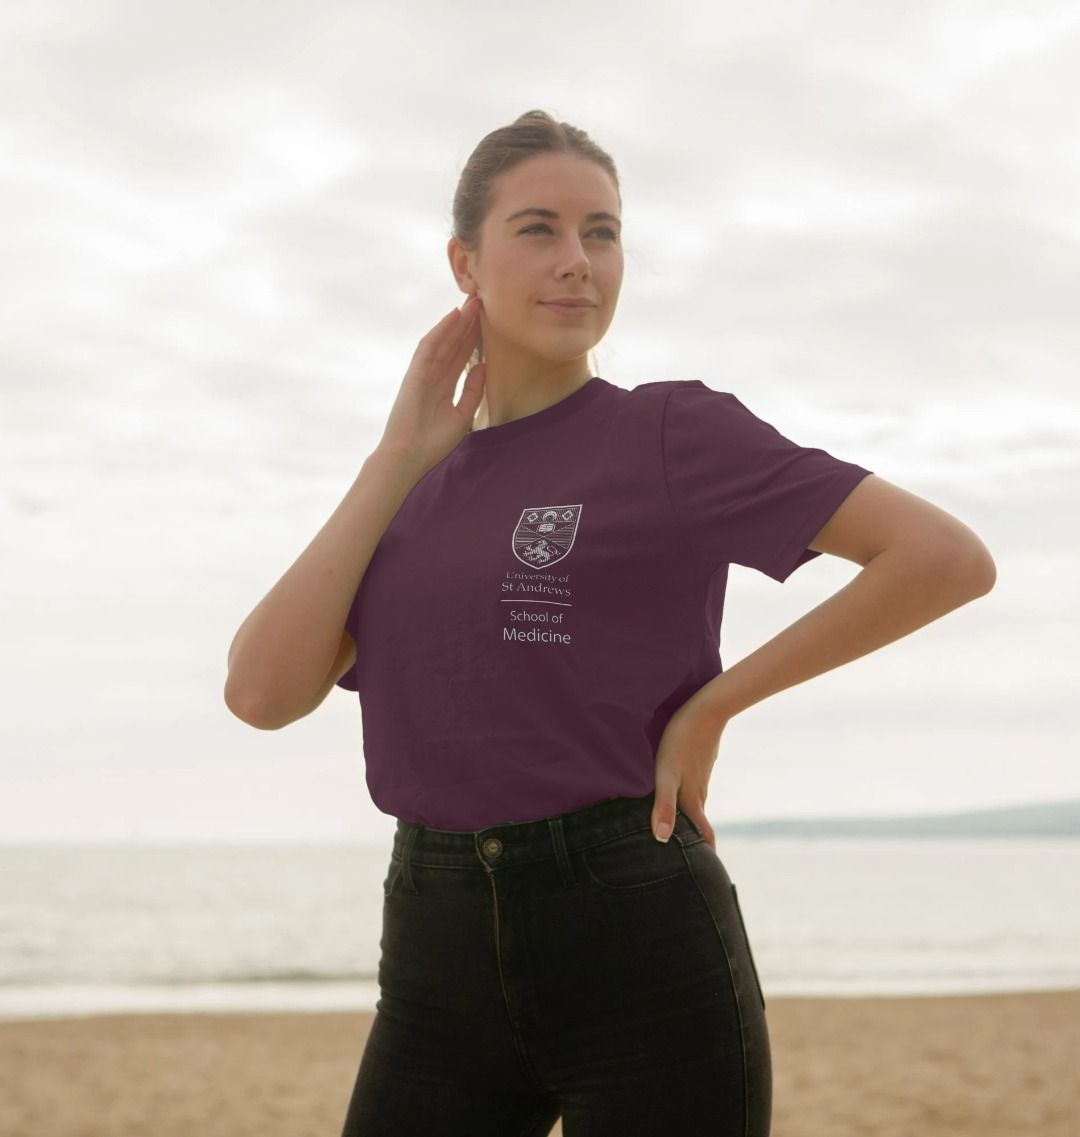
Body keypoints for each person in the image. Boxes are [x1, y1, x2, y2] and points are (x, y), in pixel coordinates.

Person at [224, 110, 997, 1137]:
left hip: (641, 944)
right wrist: (393, 458)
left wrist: (718, 703)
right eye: (538, 229)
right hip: (435, 954)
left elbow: (944, 558)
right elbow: (262, 694)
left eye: (603, 232)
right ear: (466, 261)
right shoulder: (409, 493)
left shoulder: (672, 433)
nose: (578, 262)